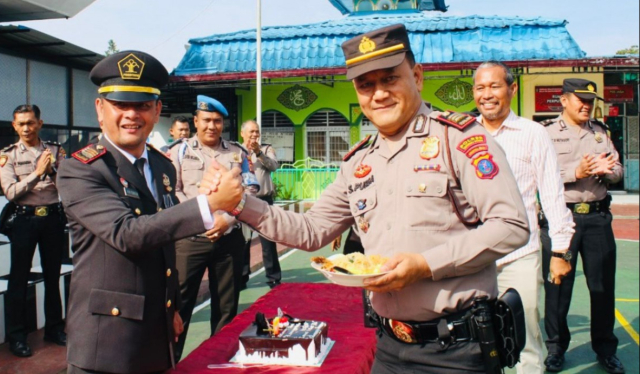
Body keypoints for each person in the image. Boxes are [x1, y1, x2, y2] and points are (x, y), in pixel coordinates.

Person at [202, 24, 530, 373]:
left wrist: (425, 264)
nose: (379, 94)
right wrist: (238, 202)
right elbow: (311, 230)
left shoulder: (459, 141)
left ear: (417, 77)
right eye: (366, 84)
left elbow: (511, 226)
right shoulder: (359, 162)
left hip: (456, 351)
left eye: (390, 79)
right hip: (389, 348)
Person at [56, 51, 243, 374]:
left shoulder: (161, 165)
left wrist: (167, 307)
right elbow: (128, 234)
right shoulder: (81, 169)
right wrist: (209, 205)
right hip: (108, 343)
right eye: (120, 105)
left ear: (157, 111)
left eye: (142, 106)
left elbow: (164, 241)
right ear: (101, 109)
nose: (131, 115)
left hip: (156, 330)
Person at [471, 61, 575, 373]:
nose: (487, 95)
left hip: (520, 254)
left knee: (525, 339)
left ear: (512, 89)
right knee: (476, 342)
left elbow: (552, 193)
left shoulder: (533, 133)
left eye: (494, 86)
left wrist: (560, 251)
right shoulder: (464, 134)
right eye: (480, 88)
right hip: (473, 258)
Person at [540, 78, 625, 374]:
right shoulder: (547, 133)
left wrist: (610, 171)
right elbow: (540, 173)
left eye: (590, 101)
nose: (586, 105)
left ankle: (605, 349)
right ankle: (555, 349)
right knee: (557, 288)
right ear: (563, 100)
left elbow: (618, 169)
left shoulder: (600, 133)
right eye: (580, 99)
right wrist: (576, 171)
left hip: (598, 219)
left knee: (602, 287)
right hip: (563, 218)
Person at [170, 95, 256, 361]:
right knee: (179, 308)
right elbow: (172, 191)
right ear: (196, 121)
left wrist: (227, 219)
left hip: (228, 239)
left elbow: (250, 189)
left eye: (217, 121)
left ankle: (218, 363)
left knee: (226, 310)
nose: (211, 126)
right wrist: (202, 217)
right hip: (189, 241)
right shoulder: (179, 151)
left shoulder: (237, 153)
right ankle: (171, 364)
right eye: (206, 120)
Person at [0, 104, 67, 358]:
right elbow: (11, 192)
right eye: (21, 123)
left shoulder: (55, 151)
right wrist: (38, 174)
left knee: (53, 275)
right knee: (18, 278)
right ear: (14, 126)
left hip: (52, 219)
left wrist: (53, 171)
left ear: (40, 123)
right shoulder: (9, 155)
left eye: (30, 122)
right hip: (24, 220)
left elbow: (67, 187)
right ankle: (17, 337)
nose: (26, 128)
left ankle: (54, 329)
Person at [239, 119, 282, 289]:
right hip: (244, 200)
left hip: (264, 200)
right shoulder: (237, 150)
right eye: (252, 132)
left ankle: (273, 277)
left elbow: (274, 166)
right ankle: (242, 277)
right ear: (243, 133)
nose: (255, 135)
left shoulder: (266, 149)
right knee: (243, 241)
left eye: (257, 132)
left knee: (268, 239)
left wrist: (259, 154)